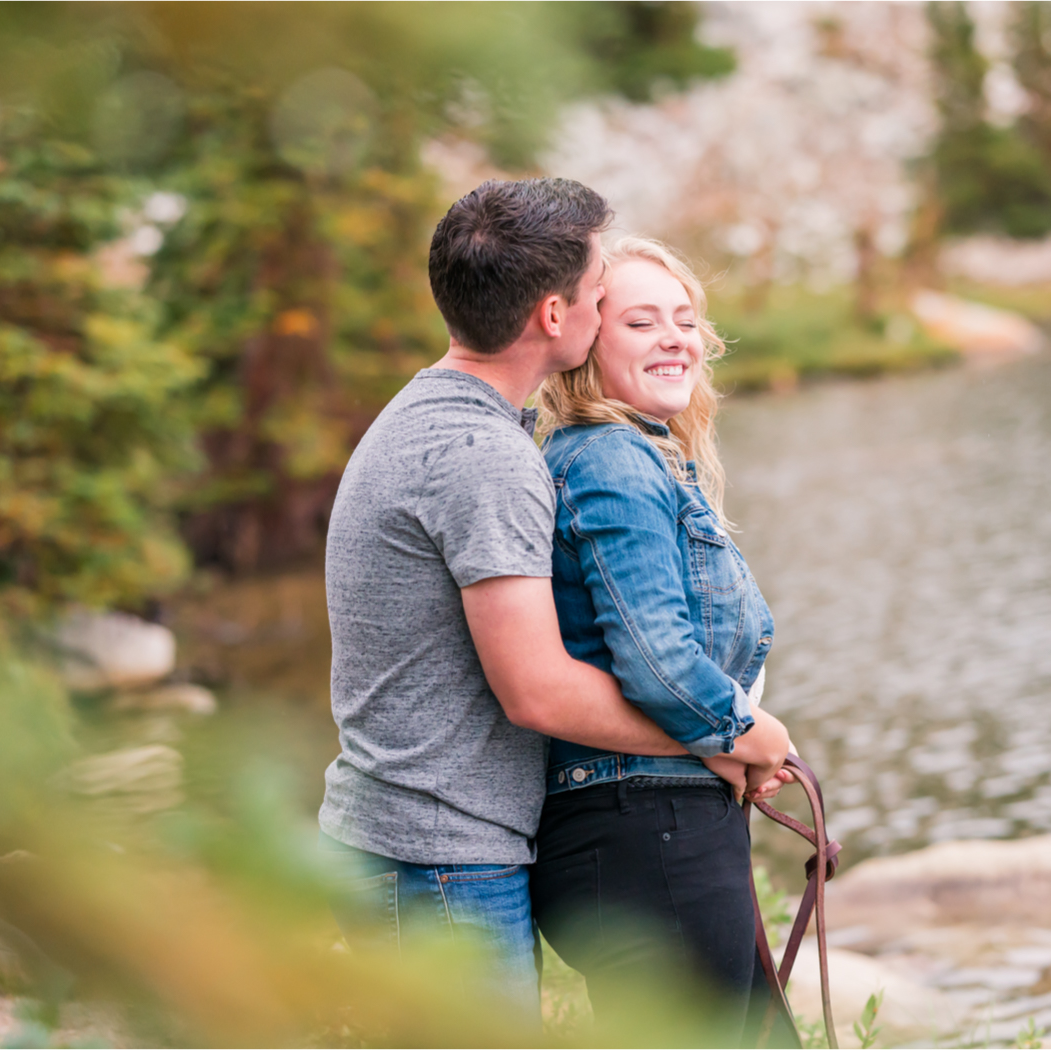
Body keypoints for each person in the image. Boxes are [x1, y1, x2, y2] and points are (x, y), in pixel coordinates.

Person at [315, 180, 788, 1012]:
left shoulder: (442, 419)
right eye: (603, 294)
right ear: (555, 317)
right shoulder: (484, 455)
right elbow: (536, 689)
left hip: (425, 839)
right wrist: (730, 736)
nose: (612, 308)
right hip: (439, 850)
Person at [530, 237, 793, 1039]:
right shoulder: (610, 460)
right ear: (584, 343)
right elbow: (657, 658)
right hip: (645, 831)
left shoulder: (641, 456)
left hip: (654, 825)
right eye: (642, 321)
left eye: (685, 319)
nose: (676, 338)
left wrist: (724, 751)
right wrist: (748, 734)